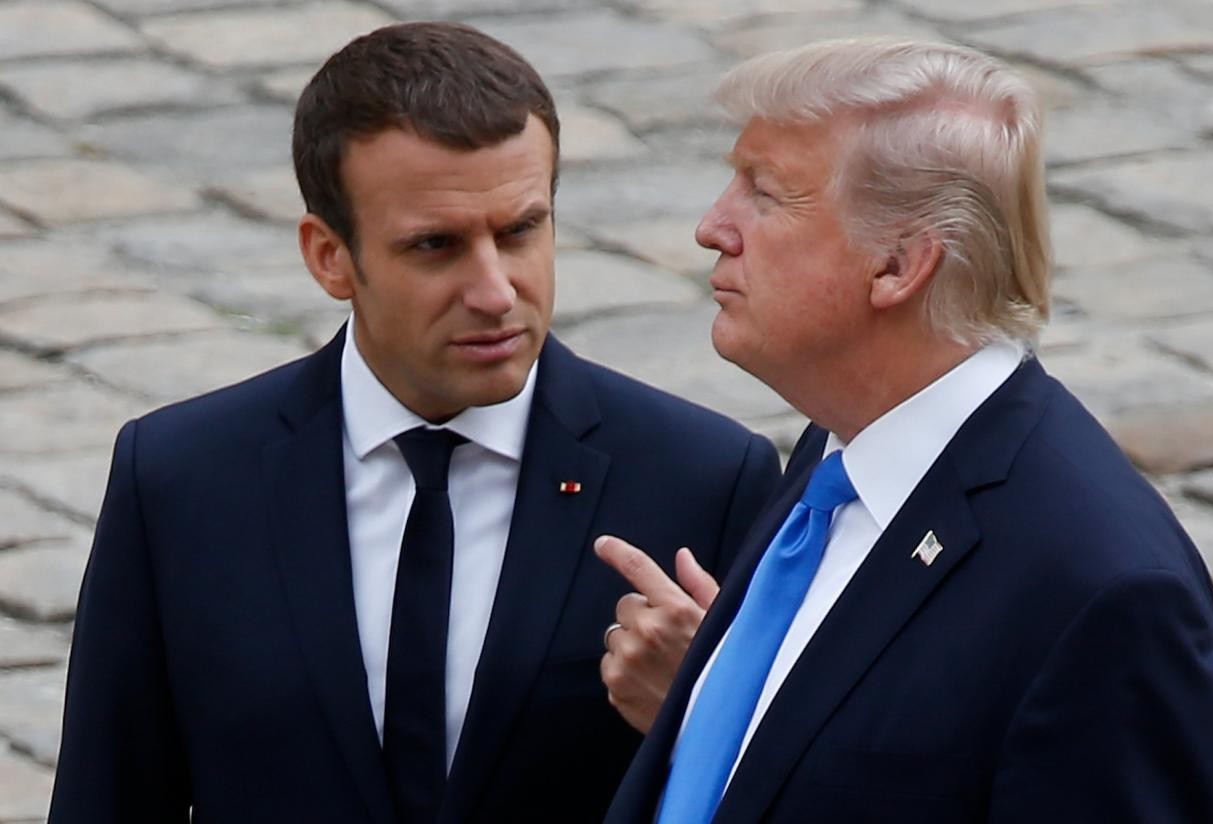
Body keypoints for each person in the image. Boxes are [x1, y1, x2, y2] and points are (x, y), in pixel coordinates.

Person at [48, 22, 780, 824]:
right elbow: (108, 793)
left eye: (521, 230)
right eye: (437, 246)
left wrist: (704, 717)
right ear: (330, 256)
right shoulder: (182, 479)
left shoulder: (702, 479)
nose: (496, 290)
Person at [600, 37, 1213, 823]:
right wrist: (714, 704)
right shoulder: (839, 447)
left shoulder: (1105, 596)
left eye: (764, 194)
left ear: (897, 266)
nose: (712, 226)